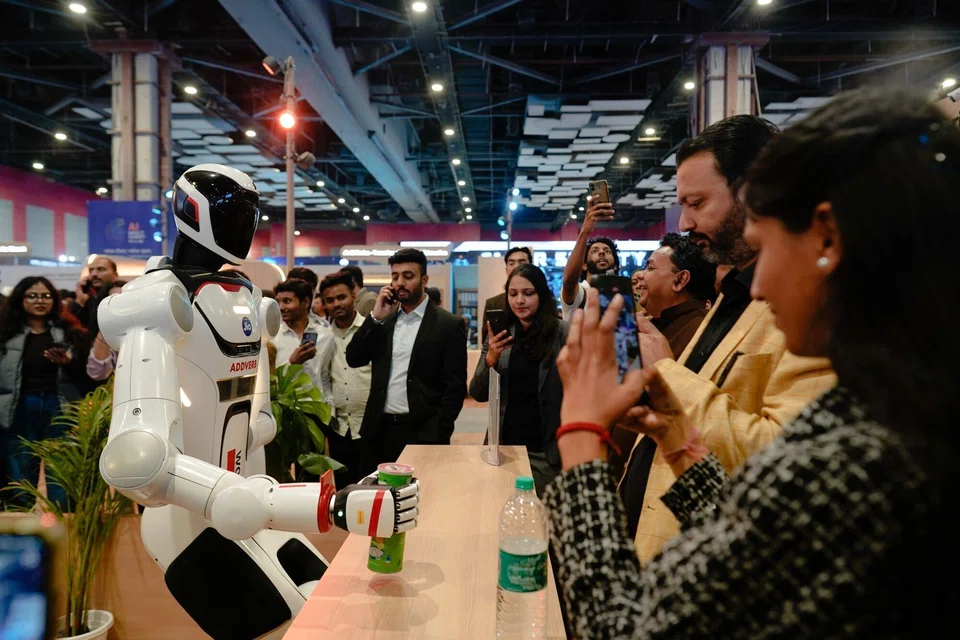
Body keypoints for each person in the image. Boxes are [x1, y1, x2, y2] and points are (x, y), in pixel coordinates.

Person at [541, 86, 959, 639]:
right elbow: (752, 534)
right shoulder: (889, 407)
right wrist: (679, 436)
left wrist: (579, 438)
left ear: (828, 238)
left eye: (769, 244)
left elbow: (621, 630)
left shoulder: (870, 457)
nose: (758, 285)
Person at [617, 114, 836, 561]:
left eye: (697, 203)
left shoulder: (815, 308)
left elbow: (777, 464)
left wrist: (665, 374)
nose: (685, 221)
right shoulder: (732, 291)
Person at [346, 249, 467, 472]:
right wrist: (375, 318)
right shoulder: (384, 319)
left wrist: (439, 429)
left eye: (408, 276)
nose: (400, 282)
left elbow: (456, 387)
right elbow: (354, 358)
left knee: (424, 499)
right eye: (395, 276)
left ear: (424, 279)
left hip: (423, 432)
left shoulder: (449, 325)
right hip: (378, 431)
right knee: (378, 501)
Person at [469, 264, 567, 496]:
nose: (519, 300)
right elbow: (477, 392)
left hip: (546, 452)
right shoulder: (499, 334)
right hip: (504, 448)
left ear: (541, 295)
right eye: (513, 294)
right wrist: (491, 358)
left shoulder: (563, 333)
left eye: (528, 293)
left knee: (543, 523)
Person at [0, 277, 85, 509]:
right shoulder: (5, 334)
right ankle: (19, 535)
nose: (40, 300)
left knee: (62, 477)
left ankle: (63, 533)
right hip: (17, 411)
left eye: (46, 296)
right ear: (21, 299)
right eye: (32, 295)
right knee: (20, 478)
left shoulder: (69, 332)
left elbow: (88, 375)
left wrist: (69, 361)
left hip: (60, 409)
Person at [317, 271, 370, 487]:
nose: (337, 304)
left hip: (368, 425)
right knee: (344, 487)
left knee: (370, 486)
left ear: (354, 297)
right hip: (338, 427)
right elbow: (322, 376)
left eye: (342, 297)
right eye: (330, 300)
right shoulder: (323, 336)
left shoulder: (371, 330)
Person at [637, 233, 716, 358]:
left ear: (680, 280)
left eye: (650, 268)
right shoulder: (657, 322)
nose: (640, 275)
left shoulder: (701, 332)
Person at [270, 279, 333, 399]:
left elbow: (325, 377)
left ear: (305, 302)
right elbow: (270, 379)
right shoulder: (272, 337)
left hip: (317, 408)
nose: (281, 307)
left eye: (287, 301)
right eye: (278, 302)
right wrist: (292, 363)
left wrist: (330, 411)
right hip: (285, 408)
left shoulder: (325, 335)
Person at [559, 208, 620, 320]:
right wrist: (584, 232)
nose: (601, 252)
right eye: (594, 251)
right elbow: (569, 282)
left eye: (607, 251)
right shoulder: (581, 292)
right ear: (584, 265)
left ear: (616, 266)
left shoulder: (621, 296)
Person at [480, 246, 531, 343]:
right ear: (506, 269)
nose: (516, 266)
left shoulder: (544, 299)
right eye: (511, 263)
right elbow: (486, 345)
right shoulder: (493, 303)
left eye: (521, 262)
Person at [85, 280, 128, 382]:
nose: (121, 305)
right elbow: (98, 373)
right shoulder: (101, 332)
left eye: (125, 299)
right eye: (114, 300)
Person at [75, 255, 118, 331]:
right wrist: (79, 303)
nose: (94, 274)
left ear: (115, 275)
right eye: (91, 270)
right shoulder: (88, 298)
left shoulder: (118, 295)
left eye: (101, 269)